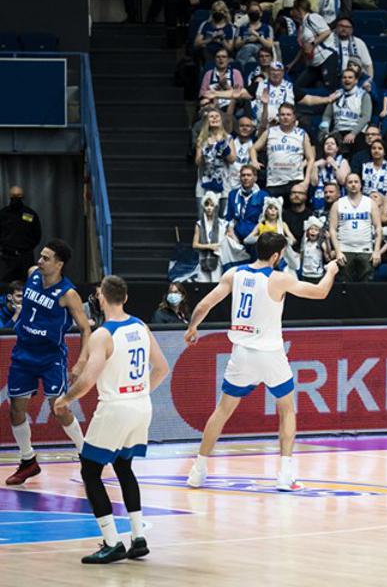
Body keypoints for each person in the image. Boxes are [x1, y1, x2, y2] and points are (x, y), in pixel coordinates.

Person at [185, 233, 337, 491]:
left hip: (242, 353)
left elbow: (203, 304)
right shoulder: (279, 279)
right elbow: (321, 292)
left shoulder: (234, 274)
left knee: (222, 411)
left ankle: (197, 471)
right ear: (277, 256)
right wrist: (331, 270)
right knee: (286, 410)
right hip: (270, 354)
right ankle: (284, 475)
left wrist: (192, 328)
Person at [53, 276, 169, 564]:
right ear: (125, 298)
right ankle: (138, 536)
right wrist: (139, 392)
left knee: (90, 471)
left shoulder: (102, 335)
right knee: (123, 466)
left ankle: (111, 541)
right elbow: (162, 368)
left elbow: (88, 380)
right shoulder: (140, 326)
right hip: (142, 406)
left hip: (116, 408)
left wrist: (65, 400)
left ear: (101, 298)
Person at [4, 239, 91, 486]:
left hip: (51, 357)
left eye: (46, 258)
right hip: (23, 353)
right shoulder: (32, 274)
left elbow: (86, 328)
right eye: (41, 256)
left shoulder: (68, 294)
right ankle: (28, 460)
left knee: (59, 409)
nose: (39, 261)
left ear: (59, 264)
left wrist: (82, 361)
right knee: (15, 410)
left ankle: (86, 455)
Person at [327, 172, 382, 282]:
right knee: (345, 287)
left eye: (356, 182)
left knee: (366, 288)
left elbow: (378, 228)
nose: (353, 184)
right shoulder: (338, 204)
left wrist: (376, 251)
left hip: (366, 250)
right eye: (350, 182)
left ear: (361, 184)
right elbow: (332, 230)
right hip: (344, 251)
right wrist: (337, 251)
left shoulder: (370, 203)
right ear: (346, 185)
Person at [0, 185, 41, 281]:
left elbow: (37, 235)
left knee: (28, 283)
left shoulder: (30, 214)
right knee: (4, 285)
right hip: (7, 258)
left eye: (19, 196)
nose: (16, 199)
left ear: (22, 197)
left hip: (25, 258)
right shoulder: (2, 214)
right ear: (10, 196)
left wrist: (26, 249)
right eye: (14, 196)